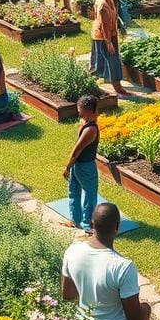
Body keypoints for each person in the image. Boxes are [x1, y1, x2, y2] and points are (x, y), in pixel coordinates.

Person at [61, 203, 154, 320]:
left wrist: (92, 288)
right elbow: (135, 319)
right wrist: (147, 309)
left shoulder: (73, 251)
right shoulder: (122, 267)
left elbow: (68, 294)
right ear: (118, 227)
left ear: (91, 224)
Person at [62, 95, 100, 236]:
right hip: (85, 166)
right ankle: (87, 224)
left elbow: (77, 150)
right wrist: (67, 166)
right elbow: (77, 150)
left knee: (74, 190)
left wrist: (70, 166)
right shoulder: (90, 129)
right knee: (90, 193)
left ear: (86, 110)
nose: (78, 110)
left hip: (77, 165)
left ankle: (75, 219)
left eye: (80, 108)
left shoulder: (84, 122)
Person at [91, 0, 127, 95]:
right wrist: (109, 43)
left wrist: (120, 28)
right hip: (104, 37)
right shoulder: (103, 5)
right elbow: (104, 26)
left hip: (109, 34)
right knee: (112, 60)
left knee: (102, 61)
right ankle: (117, 87)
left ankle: (95, 78)